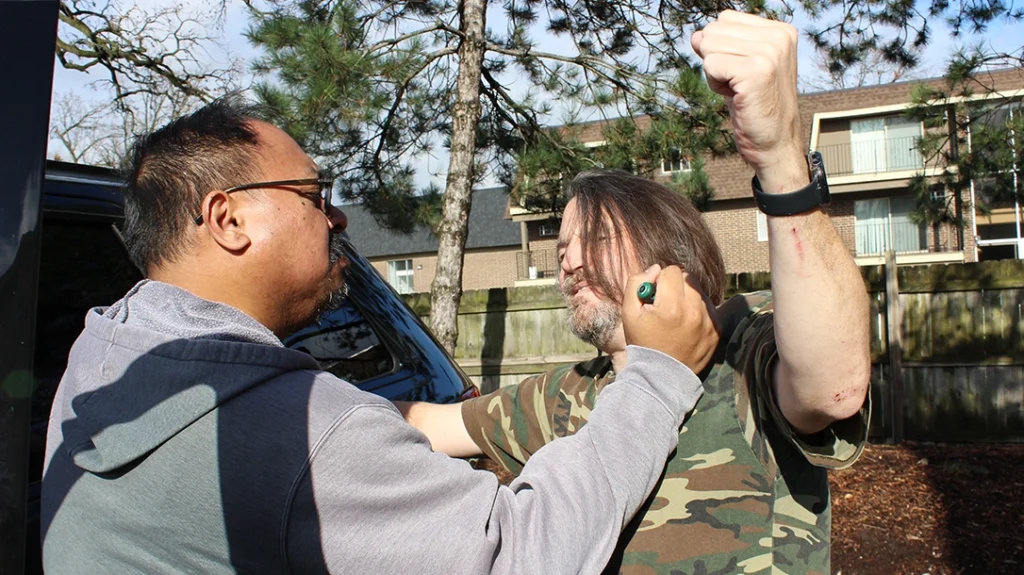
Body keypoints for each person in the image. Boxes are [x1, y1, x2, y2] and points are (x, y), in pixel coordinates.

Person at [39, 102, 722, 572]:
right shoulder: (297, 428)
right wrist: (658, 376)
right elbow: (518, 552)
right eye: (314, 193)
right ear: (227, 219)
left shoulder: (103, 358)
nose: (336, 215)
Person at [401, 10, 872, 575]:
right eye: (561, 249)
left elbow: (833, 390)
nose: (568, 262)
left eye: (593, 238)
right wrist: (297, 394)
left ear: (665, 249)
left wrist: (779, 161)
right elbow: (427, 424)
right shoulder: (566, 396)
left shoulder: (745, 352)